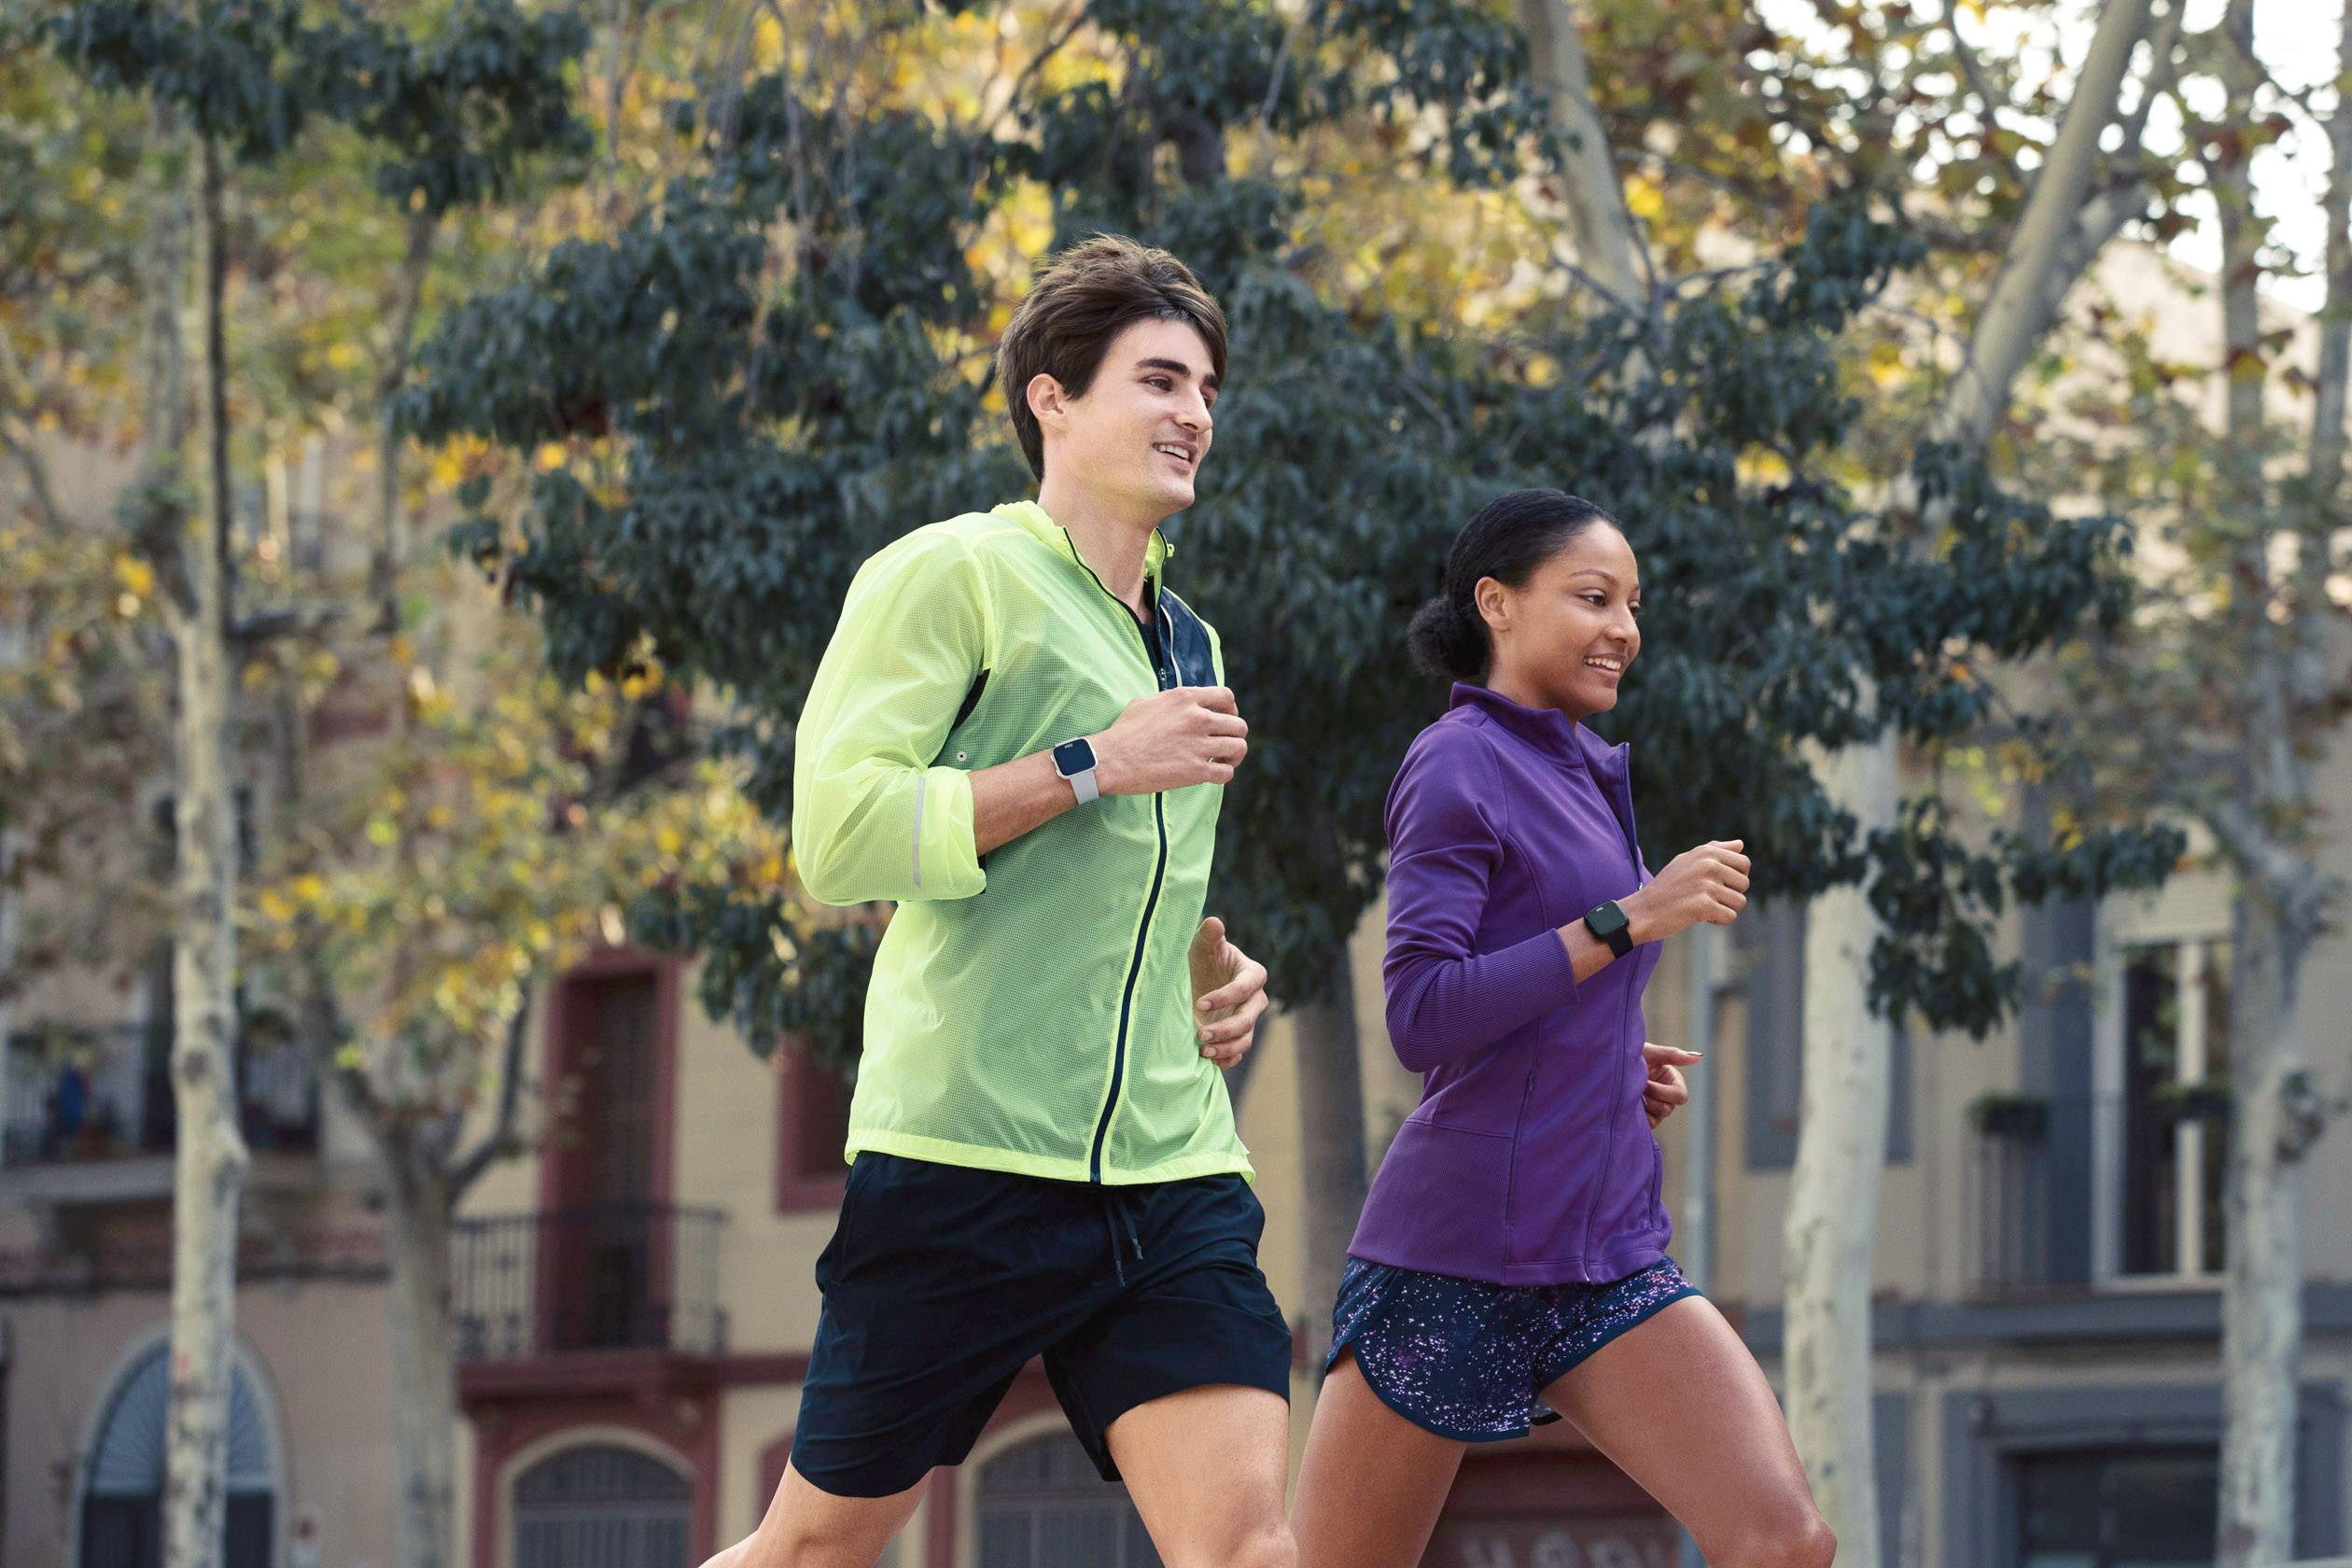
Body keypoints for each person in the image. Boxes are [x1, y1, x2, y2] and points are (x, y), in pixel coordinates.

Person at [705, 235, 1295, 1568]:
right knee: (812, 1551)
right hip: (967, 1162)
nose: (1193, 413)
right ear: (1051, 398)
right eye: (1156, 379)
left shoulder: (1190, 642)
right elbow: (843, 834)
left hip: (1169, 1168)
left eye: (1204, 386)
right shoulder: (951, 574)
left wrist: (1210, 977)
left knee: (1252, 1548)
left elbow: (1130, 891)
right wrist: (1093, 763)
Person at [1288, 489, 1837, 1568]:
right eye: (1593, 597)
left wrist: (1605, 1063)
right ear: (1496, 603)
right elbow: (1422, 1012)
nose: (1624, 628)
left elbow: (1533, 989)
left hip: (1605, 1250)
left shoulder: (1582, 770)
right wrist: (1628, 917)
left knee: (1783, 1542)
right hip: (1454, 1255)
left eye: (1633, 603)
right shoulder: (1459, 760)